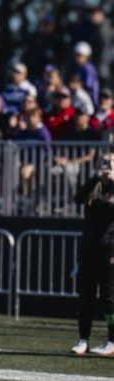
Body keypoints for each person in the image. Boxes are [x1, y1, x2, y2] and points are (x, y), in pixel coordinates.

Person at [72, 153, 114, 357]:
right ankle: (83, 338)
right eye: (104, 163)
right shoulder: (94, 186)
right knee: (86, 297)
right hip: (89, 248)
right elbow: (77, 198)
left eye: (111, 164)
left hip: (109, 250)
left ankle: (112, 339)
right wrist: (96, 177)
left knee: (108, 298)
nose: (107, 167)